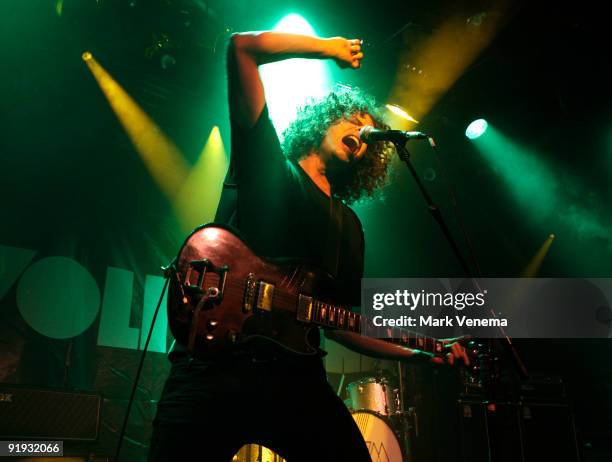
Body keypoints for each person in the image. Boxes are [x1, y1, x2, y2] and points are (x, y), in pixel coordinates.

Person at [148, 31, 469, 462]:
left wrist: (423, 351)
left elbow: (344, 323)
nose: (362, 130)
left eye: (368, 129)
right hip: (214, 368)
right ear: (324, 120)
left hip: (295, 379)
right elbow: (242, 48)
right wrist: (329, 48)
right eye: (353, 119)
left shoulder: (348, 227)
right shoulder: (268, 166)